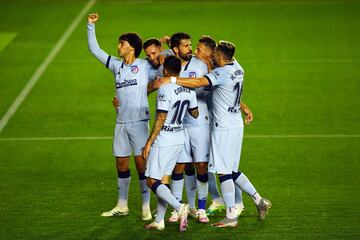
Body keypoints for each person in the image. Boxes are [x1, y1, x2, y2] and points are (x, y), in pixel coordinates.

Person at [154, 41, 271, 227]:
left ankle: (231, 216)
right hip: (236, 124)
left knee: (223, 172)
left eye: (215, 53)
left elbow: (199, 82)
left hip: (223, 127)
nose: (212, 56)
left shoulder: (221, 73)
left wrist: (172, 79)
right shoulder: (237, 67)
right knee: (232, 170)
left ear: (221, 56)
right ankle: (259, 200)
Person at [87, 13, 156, 221]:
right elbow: (95, 50)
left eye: (121, 43)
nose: (118, 46)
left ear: (132, 47)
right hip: (121, 123)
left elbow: (165, 64)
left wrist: (166, 47)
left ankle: (146, 206)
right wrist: (91, 26)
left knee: (141, 165)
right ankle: (122, 205)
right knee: (121, 164)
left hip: (139, 123)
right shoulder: (117, 66)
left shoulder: (145, 66)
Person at [143, 55, 199, 231]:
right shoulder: (189, 90)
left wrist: (149, 142)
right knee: (163, 180)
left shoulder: (164, 89)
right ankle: (159, 220)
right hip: (178, 138)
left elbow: (161, 117)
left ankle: (179, 206)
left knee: (151, 181)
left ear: (165, 70)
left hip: (164, 140)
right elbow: (195, 113)